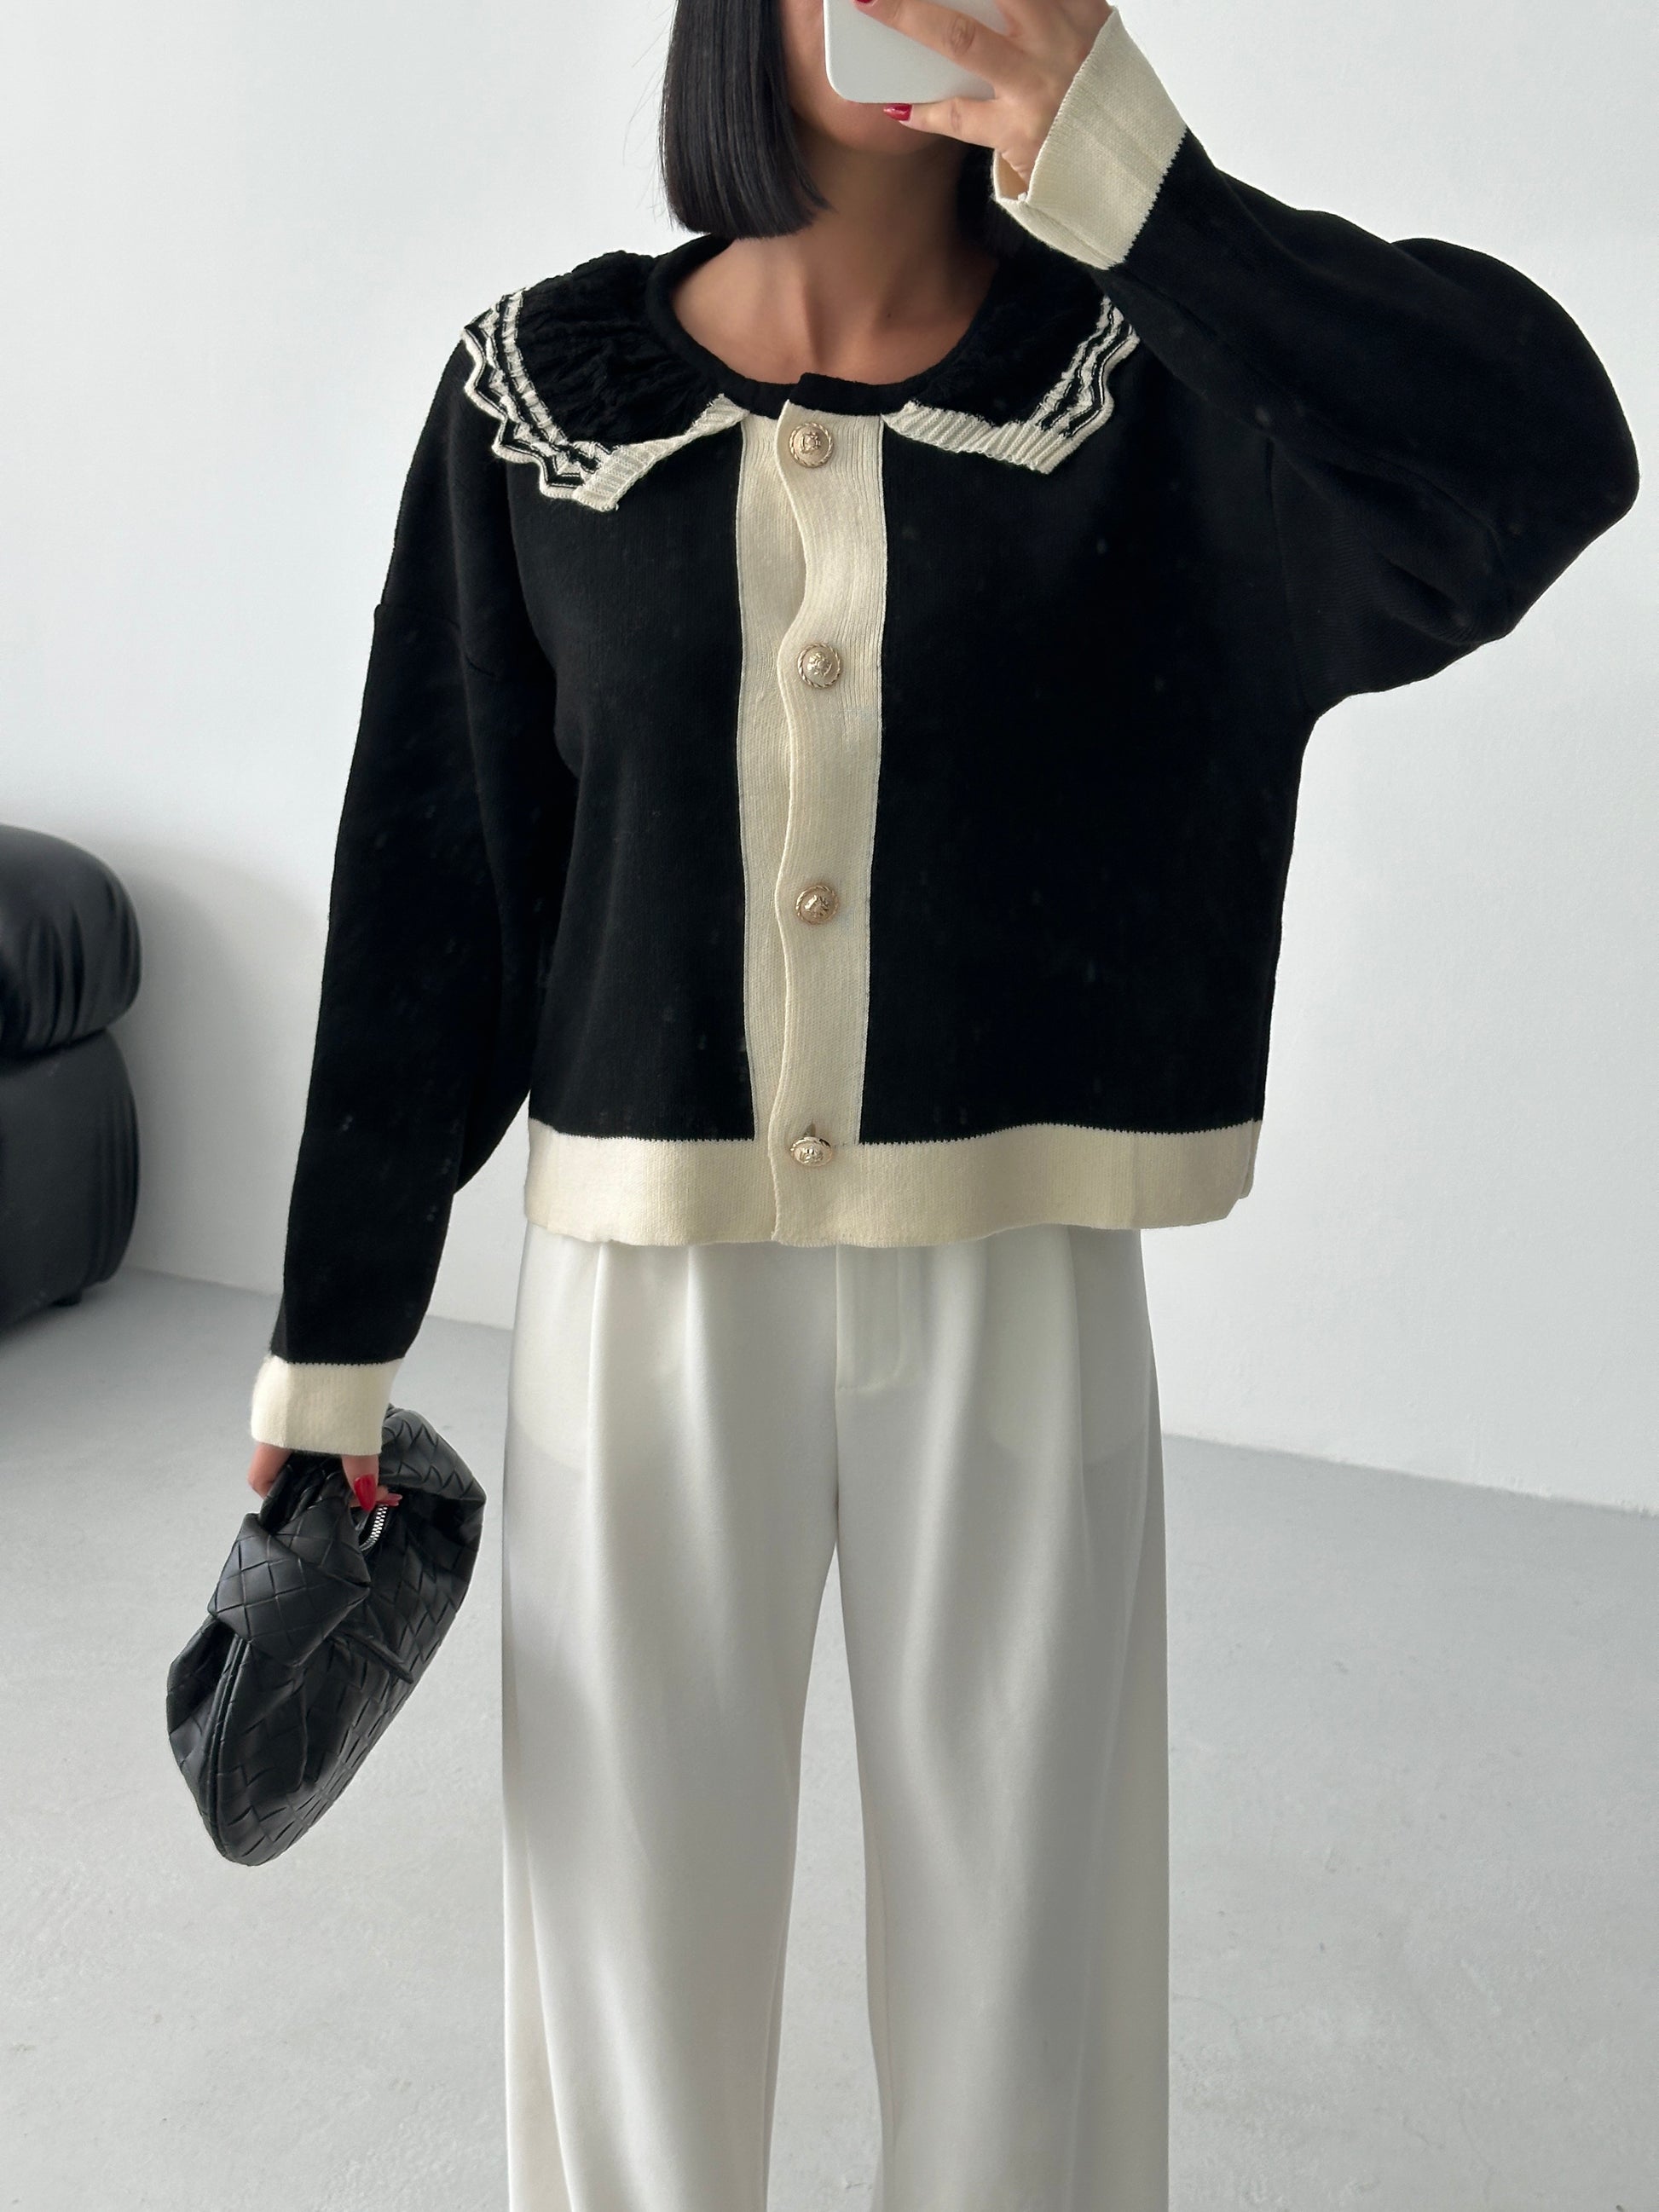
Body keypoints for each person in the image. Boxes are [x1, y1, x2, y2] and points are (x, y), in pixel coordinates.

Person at [243, 1, 1639, 2205]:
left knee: (1026, 1972)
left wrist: (1144, 184)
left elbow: (1539, 456)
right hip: (640, 1302)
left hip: (1013, 1286)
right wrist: (333, 1348)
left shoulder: (1149, 387)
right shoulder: (533, 394)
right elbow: (437, 882)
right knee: (621, 1954)